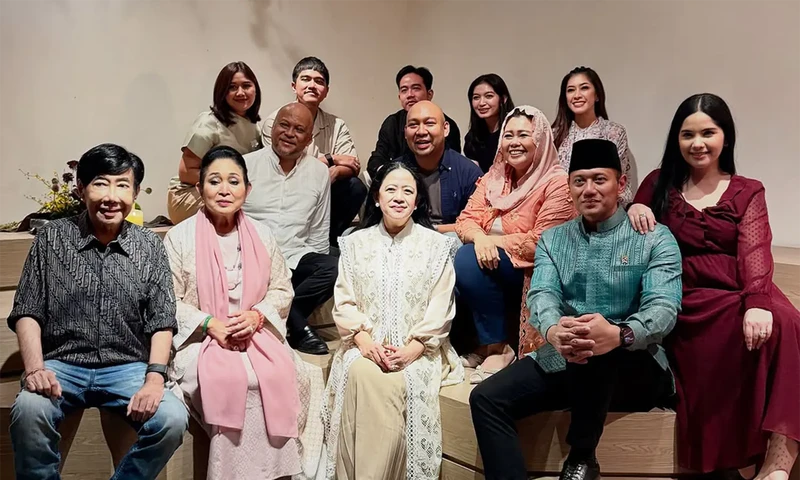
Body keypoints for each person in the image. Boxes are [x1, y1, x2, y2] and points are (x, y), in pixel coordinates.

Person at [470, 138, 682, 480]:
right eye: (579, 181)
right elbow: (542, 295)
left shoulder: (654, 237)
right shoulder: (553, 240)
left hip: (635, 362)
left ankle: (582, 459)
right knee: (485, 399)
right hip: (566, 356)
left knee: (593, 343)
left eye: (600, 179)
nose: (589, 190)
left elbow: (664, 308)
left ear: (621, 184)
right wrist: (554, 330)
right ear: (569, 188)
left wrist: (618, 334)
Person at [628, 93, 800, 480]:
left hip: (740, 287)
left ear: (726, 136)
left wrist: (756, 302)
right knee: (724, 339)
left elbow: (754, 249)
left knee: (788, 323)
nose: (698, 143)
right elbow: (632, 226)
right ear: (677, 139)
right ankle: (733, 461)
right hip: (685, 294)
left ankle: (778, 463)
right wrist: (635, 207)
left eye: (708, 132)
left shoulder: (747, 189)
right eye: (688, 134)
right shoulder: (658, 183)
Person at [8, 143, 189, 479]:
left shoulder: (149, 245)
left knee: (173, 419)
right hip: (62, 364)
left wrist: (154, 378)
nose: (111, 196)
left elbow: (162, 320)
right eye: (100, 184)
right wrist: (34, 369)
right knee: (29, 410)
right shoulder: (51, 239)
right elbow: (28, 311)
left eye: (122, 185)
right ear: (81, 189)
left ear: (135, 193)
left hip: (127, 367)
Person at [164, 146, 325, 479]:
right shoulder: (179, 238)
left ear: (247, 190)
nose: (225, 189)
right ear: (200, 188)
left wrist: (257, 316)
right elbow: (168, 300)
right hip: (201, 340)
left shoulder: (263, 235)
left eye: (234, 181)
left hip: (257, 335)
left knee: (284, 375)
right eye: (215, 181)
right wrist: (209, 324)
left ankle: (276, 473)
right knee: (233, 380)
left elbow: (282, 290)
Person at [322, 162, 465, 480]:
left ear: (417, 201)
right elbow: (345, 302)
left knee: (395, 382)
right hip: (363, 347)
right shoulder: (354, 244)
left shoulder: (436, 246)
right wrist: (364, 342)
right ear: (376, 198)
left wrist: (413, 349)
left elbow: (441, 306)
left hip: (420, 351)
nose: (399, 197)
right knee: (360, 371)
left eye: (407, 191)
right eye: (391, 189)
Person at [454, 106, 576, 383]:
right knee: (457, 258)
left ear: (540, 140)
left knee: (467, 260)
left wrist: (491, 242)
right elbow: (465, 220)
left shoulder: (557, 183)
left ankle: (499, 348)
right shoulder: (494, 178)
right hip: (493, 260)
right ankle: (480, 345)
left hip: (534, 269)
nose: (514, 142)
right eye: (508, 135)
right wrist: (480, 239)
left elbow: (542, 241)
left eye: (523, 135)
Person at [242, 103, 332, 355]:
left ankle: (287, 316)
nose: (289, 133)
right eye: (284, 125)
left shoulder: (319, 172)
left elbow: (319, 228)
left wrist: (316, 265)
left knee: (333, 267)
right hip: (252, 255)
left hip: (294, 254)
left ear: (309, 139)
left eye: (299, 129)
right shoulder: (246, 165)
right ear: (273, 128)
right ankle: (298, 326)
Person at [261, 57, 367, 245]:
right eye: (306, 79)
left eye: (319, 81)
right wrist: (330, 159)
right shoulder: (275, 122)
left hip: (324, 191)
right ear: (294, 86)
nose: (312, 85)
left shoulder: (336, 124)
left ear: (326, 91)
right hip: (287, 191)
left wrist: (335, 172)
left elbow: (353, 164)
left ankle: (328, 241)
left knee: (355, 186)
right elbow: (283, 167)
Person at [167, 61, 263, 224]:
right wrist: (227, 184)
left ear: (256, 89)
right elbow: (186, 172)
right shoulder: (209, 123)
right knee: (251, 205)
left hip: (227, 189)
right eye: (232, 87)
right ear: (222, 92)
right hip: (189, 194)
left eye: (246, 86)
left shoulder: (254, 126)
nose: (240, 92)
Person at [551, 66, 635, 205]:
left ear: (597, 95)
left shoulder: (613, 132)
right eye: (571, 90)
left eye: (584, 88)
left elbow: (619, 185)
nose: (577, 95)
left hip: (602, 209)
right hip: (559, 209)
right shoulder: (554, 134)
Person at [400, 100, 482, 234]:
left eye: (429, 123)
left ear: (445, 129)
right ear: (405, 132)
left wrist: (431, 230)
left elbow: (479, 224)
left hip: (452, 239)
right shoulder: (394, 172)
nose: (421, 131)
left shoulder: (468, 173)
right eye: (413, 125)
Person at [367, 65, 463, 179]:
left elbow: (452, 163)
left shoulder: (445, 124)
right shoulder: (392, 123)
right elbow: (377, 159)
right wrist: (389, 175)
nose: (410, 95)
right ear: (399, 97)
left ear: (429, 94)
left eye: (416, 88)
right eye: (404, 90)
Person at [463, 73, 515, 173]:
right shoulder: (472, 137)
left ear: (503, 99)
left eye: (489, 96)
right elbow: (475, 174)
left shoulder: (514, 130)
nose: (481, 103)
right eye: (476, 97)